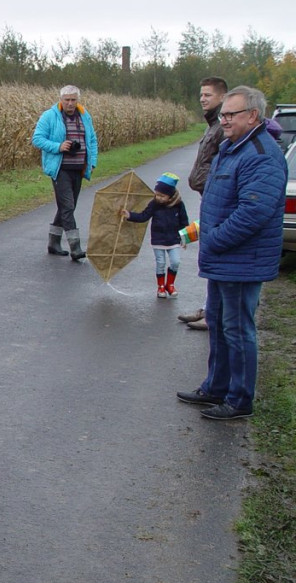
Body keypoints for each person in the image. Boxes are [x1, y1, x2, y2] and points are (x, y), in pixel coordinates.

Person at [176, 86, 287, 420]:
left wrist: (214, 238)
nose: (222, 120)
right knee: (220, 326)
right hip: (223, 259)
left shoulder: (261, 154)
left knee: (239, 330)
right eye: (222, 114)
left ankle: (239, 400)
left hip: (241, 261)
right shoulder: (231, 147)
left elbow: (253, 212)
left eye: (229, 114)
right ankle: (216, 387)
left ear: (252, 115)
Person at [179, 77, 228, 329]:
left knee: (214, 255)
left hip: (217, 198)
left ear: (222, 97)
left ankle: (213, 315)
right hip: (207, 196)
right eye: (201, 95)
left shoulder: (222, 126)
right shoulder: (212, 125)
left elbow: (224, 165)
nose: (202, 99)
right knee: (209, 254)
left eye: (208, 95)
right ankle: (209, 309)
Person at [32, 85, 98, 261]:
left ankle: (53, 243)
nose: (70, 103)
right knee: (67, 206)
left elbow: (91, 139)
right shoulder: (50, 116)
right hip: (60, 168)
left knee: (67, 207)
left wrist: (92, 162)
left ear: (78, 100)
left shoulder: (84, 116)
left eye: (73, 100)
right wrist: (59, 146)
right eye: (67, 99)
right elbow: (37, 139)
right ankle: (75, 247)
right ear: (61, 99)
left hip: (78, 168)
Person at [119, 172, 189, 298]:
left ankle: (170, 284)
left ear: (170, 195)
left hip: (174, 239)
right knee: (160, 263)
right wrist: (130, 215)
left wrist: (184, 237)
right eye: (157, 194)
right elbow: (144, 216)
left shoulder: (179, 205)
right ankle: (161, 286)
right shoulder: (154, 204)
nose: (159, 198)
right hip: (158, 239)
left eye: (162, 196)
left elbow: (184, 222)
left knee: (175, 261)